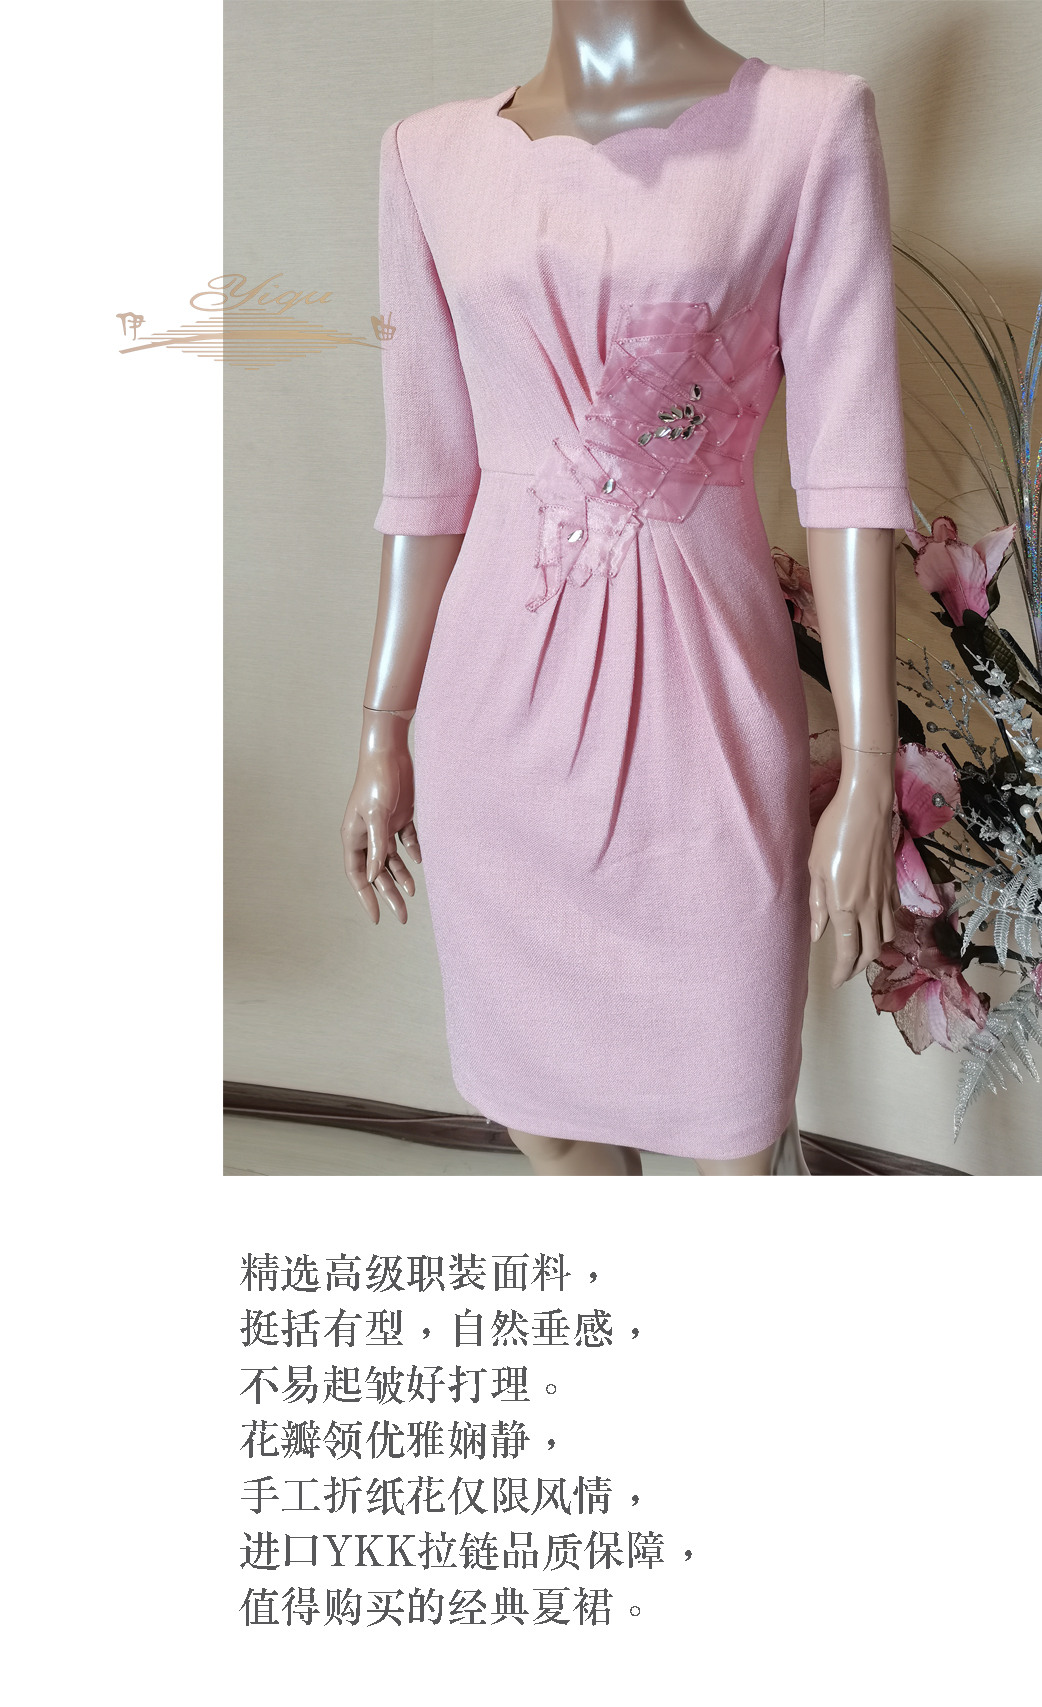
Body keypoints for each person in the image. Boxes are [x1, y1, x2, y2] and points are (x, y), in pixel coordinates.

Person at [342, 3, 910, 1177]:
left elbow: (849, 473)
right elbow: (426, 476)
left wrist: (867, 770)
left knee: (731, 1132)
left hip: (705, 719)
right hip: (492, 728)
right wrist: (382, 727)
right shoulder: (424, 156)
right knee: (549, 1130)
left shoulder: (808, 129)